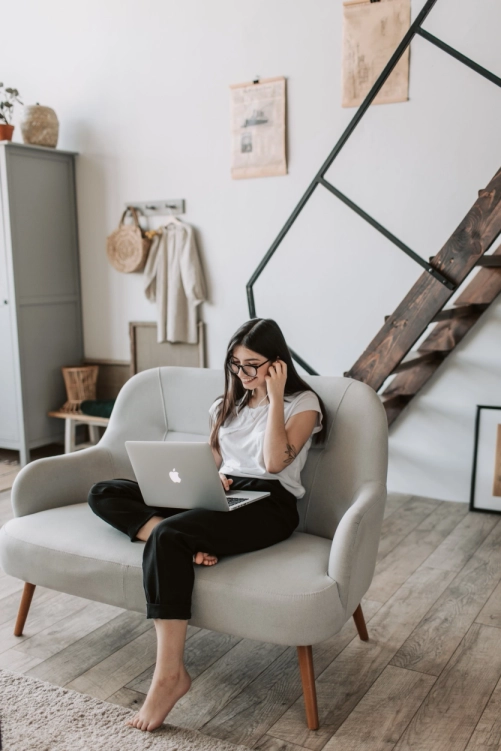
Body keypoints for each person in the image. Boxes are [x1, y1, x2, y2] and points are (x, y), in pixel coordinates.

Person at [87, 317, 327, 732]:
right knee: (105, 492)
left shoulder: (303, 404)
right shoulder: (224, 406)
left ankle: (170, 676)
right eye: (235, 364)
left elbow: (273, 463)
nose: (242, 373)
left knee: (167, 536)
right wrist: (206, 480)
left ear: (277, 364)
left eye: (252, 364)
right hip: (222, 493)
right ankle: (176, 538)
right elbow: (212, 462)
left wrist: (272, 398)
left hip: (269, 503)